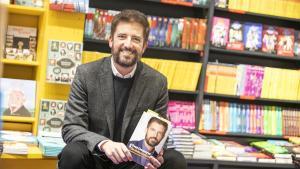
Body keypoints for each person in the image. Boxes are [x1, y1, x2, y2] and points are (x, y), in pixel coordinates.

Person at [58, 9, 186, 169]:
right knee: (73, 152)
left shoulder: (157, 82)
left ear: (144, 46)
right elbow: (71, 127)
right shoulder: (86, 74)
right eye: (122, 37)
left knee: (175, 159)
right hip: (96, 157)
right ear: (111, 40)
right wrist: (103, 143)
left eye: (136, 39)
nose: (128, 44)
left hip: (134, 162)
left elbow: (160, 132)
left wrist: (155, 155)